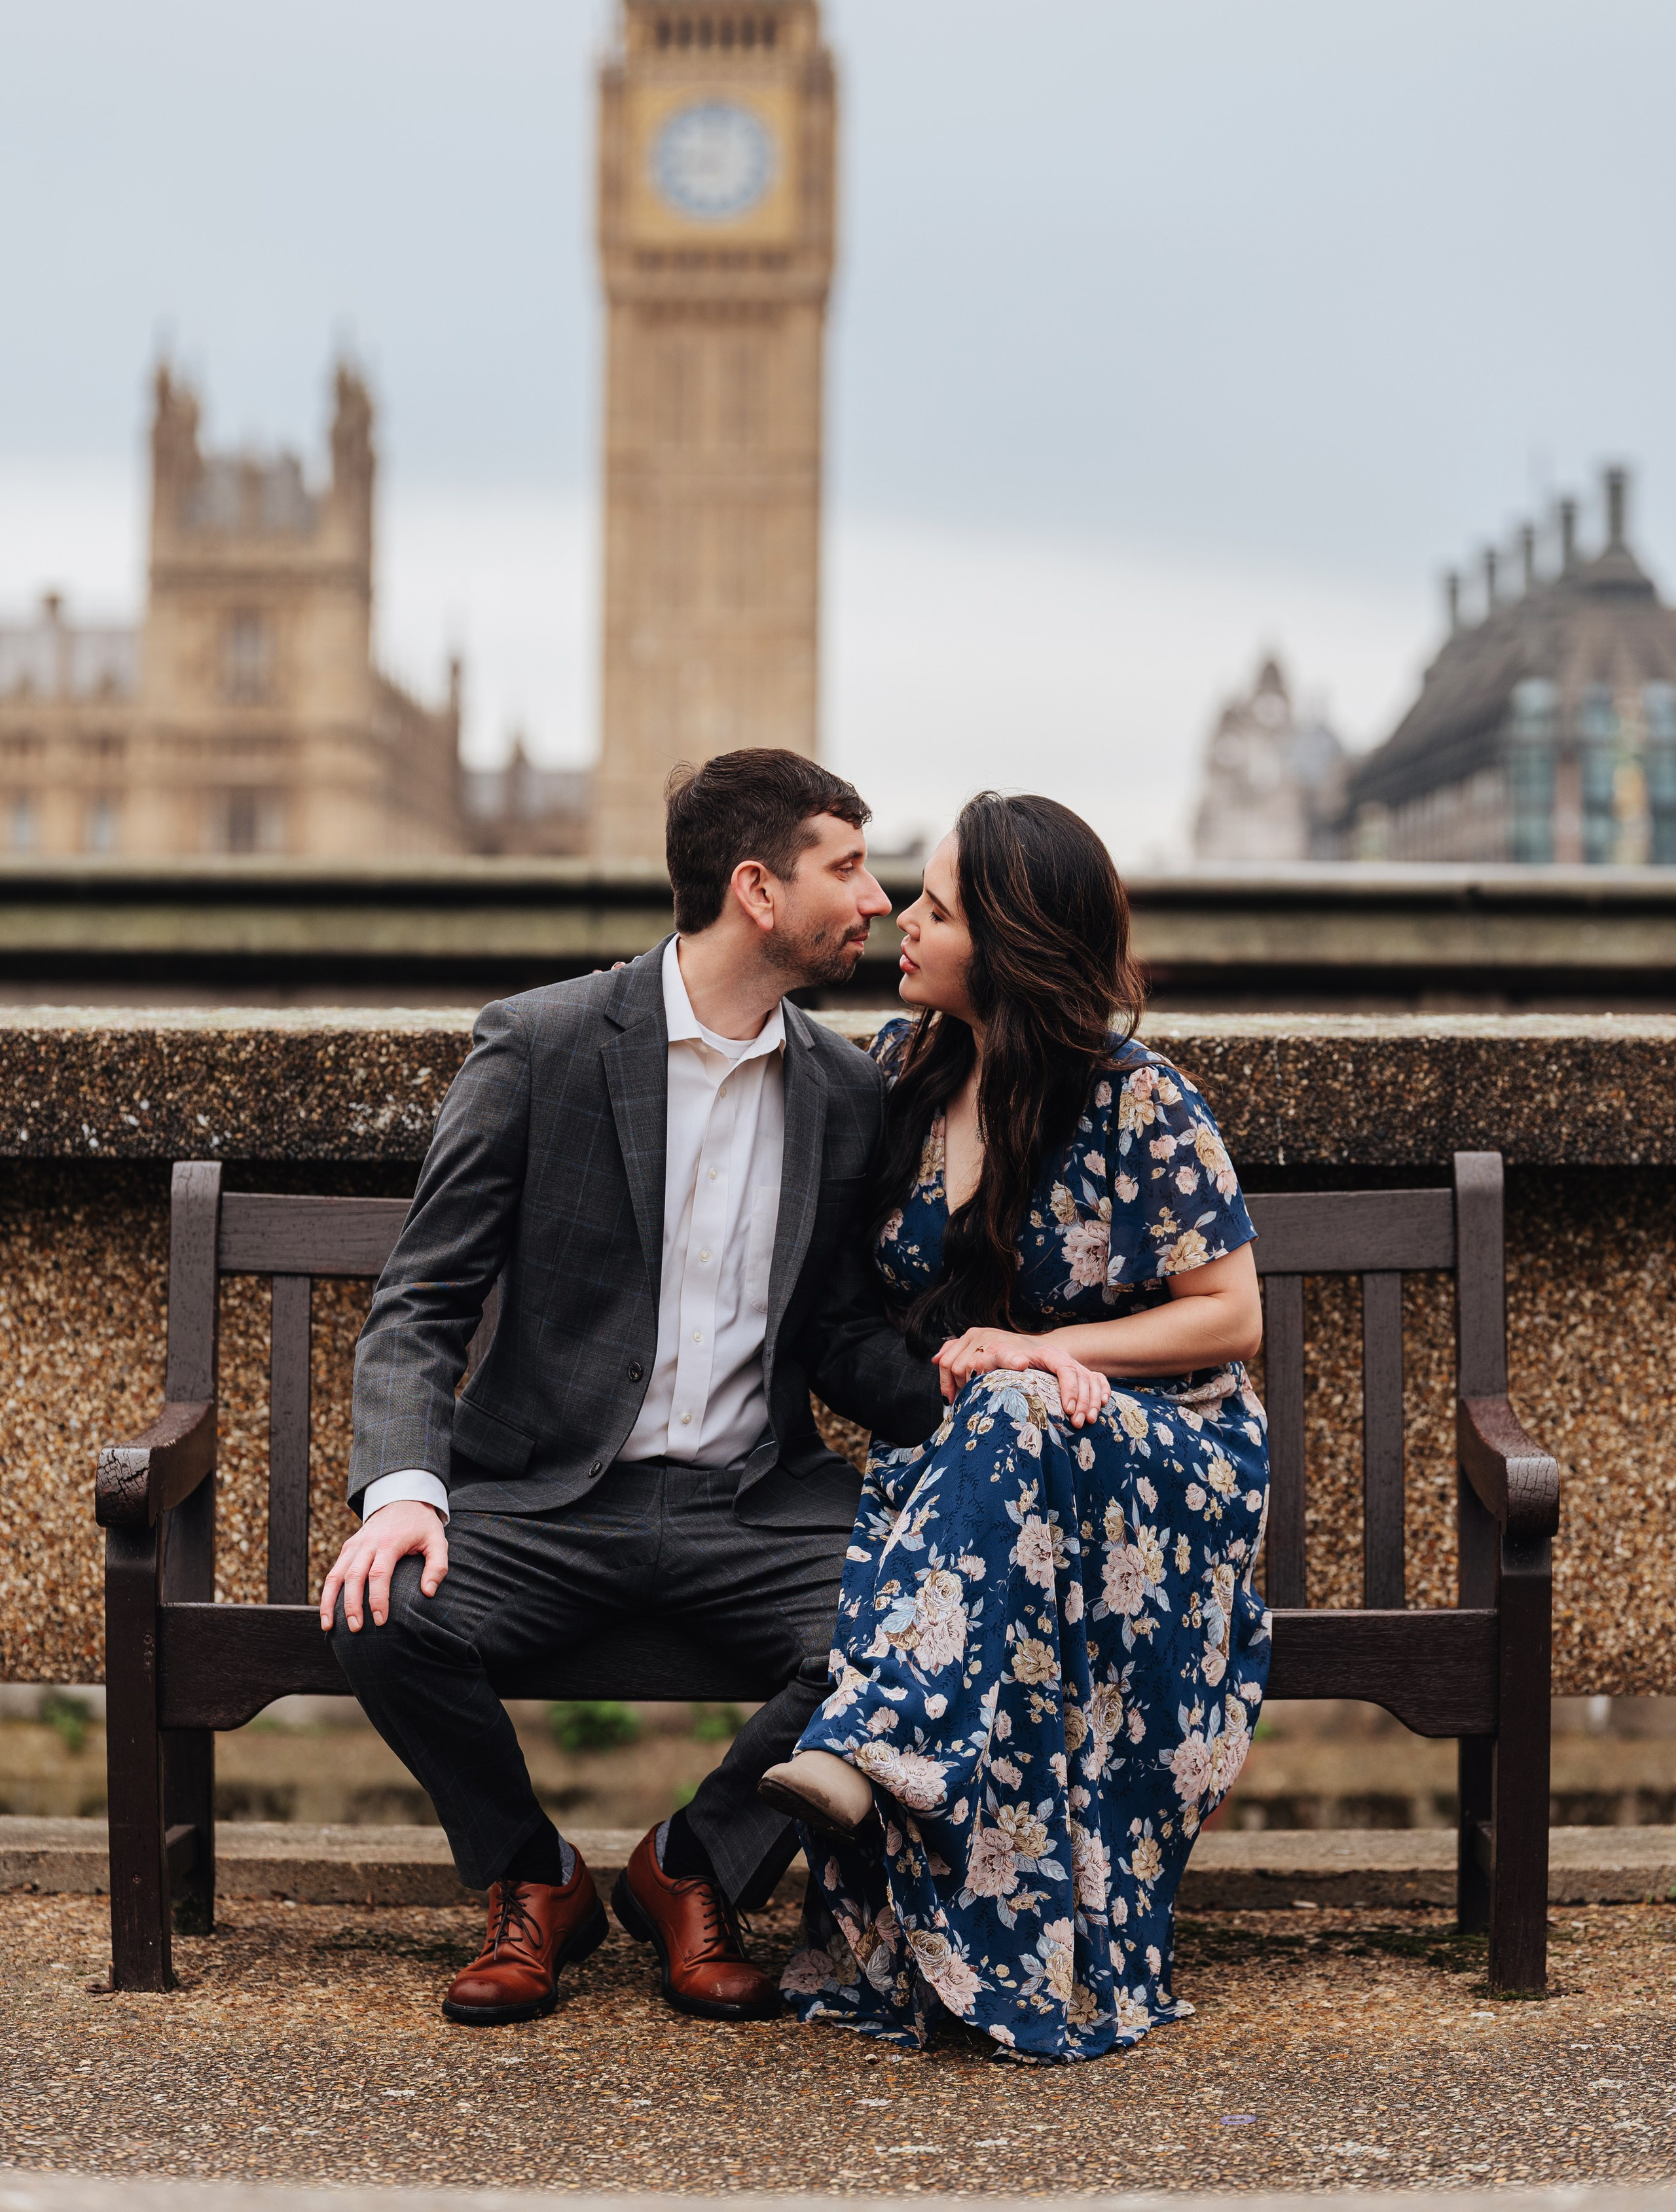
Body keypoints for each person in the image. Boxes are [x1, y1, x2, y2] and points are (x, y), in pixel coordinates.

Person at [320, 748, 942, 2028]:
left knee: (915, 1618)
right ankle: (529, 1878)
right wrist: (401, 1492)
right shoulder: (544, 1043)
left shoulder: (843, 1090)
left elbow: (832, 1330)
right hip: (547, 1497)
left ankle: (693, 1868)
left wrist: (969, 1389)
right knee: (378, 1609)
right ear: (757, 890)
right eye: (847, 869)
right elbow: (422, 1298)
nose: (873, 901)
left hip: (753, 1506)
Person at [757, 792, 1269, 2063]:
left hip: (1163, 1457)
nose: (903, 923)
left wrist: (1051, 1353)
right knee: (992, 1414)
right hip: (989, 1459)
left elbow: (1229, 1317)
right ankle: (964, 1922)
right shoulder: (896, 1071)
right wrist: (1010, 1383)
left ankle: (879, 1740)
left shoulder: (1139, 1103)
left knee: (1006, 1397)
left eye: (934, 909)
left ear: (1011, 942)